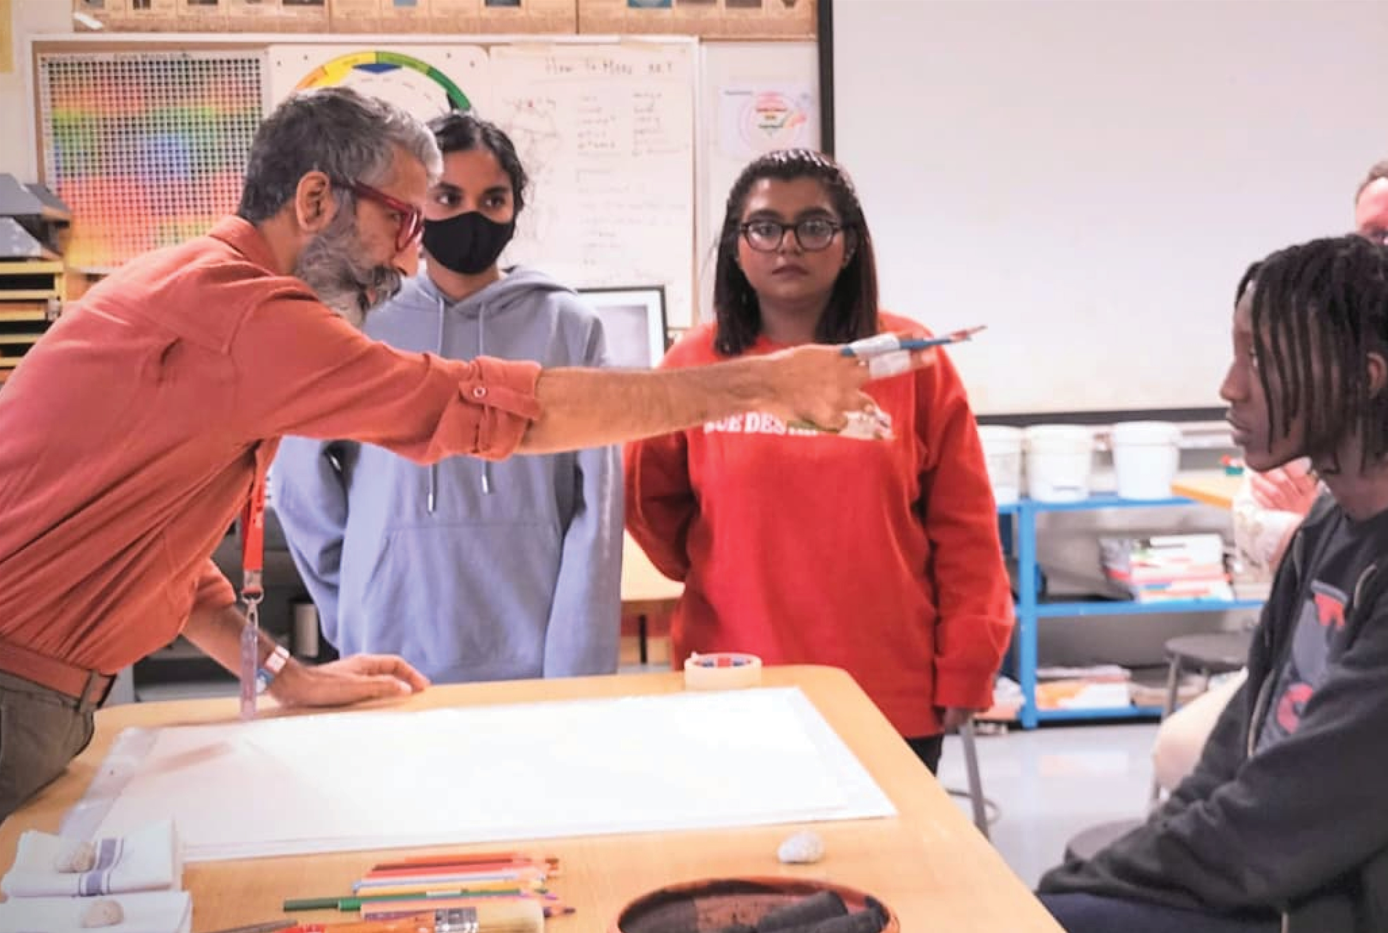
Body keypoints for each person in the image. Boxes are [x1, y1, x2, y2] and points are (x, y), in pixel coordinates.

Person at [0, 91, 928, 821]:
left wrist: (286, 674)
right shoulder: (249, 315)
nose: (411, 259)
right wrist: (762, 383)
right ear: (316, 199)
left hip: (44, 690)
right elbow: (492, 414)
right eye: (404, 221)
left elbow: (164, 555)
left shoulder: (199, 291)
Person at [1037, 235, 1388, 932]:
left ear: (1362, 377)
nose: (1230, 385)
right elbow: (1239, 748)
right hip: (1297, 880)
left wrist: (1087, 886)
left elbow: (1292, 814)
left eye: (1260, 359)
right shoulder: (1332, 521)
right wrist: (1105, 874)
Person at [1151, 155, 1388, 792]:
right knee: (1192, 753)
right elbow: (1253, 519)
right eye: (1371, 234)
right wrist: (1325, 526)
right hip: (1320, 644)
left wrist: (1337, 528)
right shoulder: (1311, 376)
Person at [624, 149, 1013, 774]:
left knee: (886, 843)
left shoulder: (910, 360)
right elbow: (648, 500)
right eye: (764, 227)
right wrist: (725, 562)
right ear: (736, 246)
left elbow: (965, 531)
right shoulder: (694, 367)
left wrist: (968, 664)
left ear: (849, 243)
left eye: (813, 226)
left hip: (887, 689)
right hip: (732, 683)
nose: (788, 246)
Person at [272, 113, 622, 684]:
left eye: (493, 200)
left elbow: (596, 510)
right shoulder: (355, 323)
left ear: (516, 208)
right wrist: (353, 603)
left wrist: (578, 658)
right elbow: (299, 484)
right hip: (389, 643)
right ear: (412, 206)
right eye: (447, 197)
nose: (471, 216)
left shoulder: (569, 326)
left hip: (534, 652)